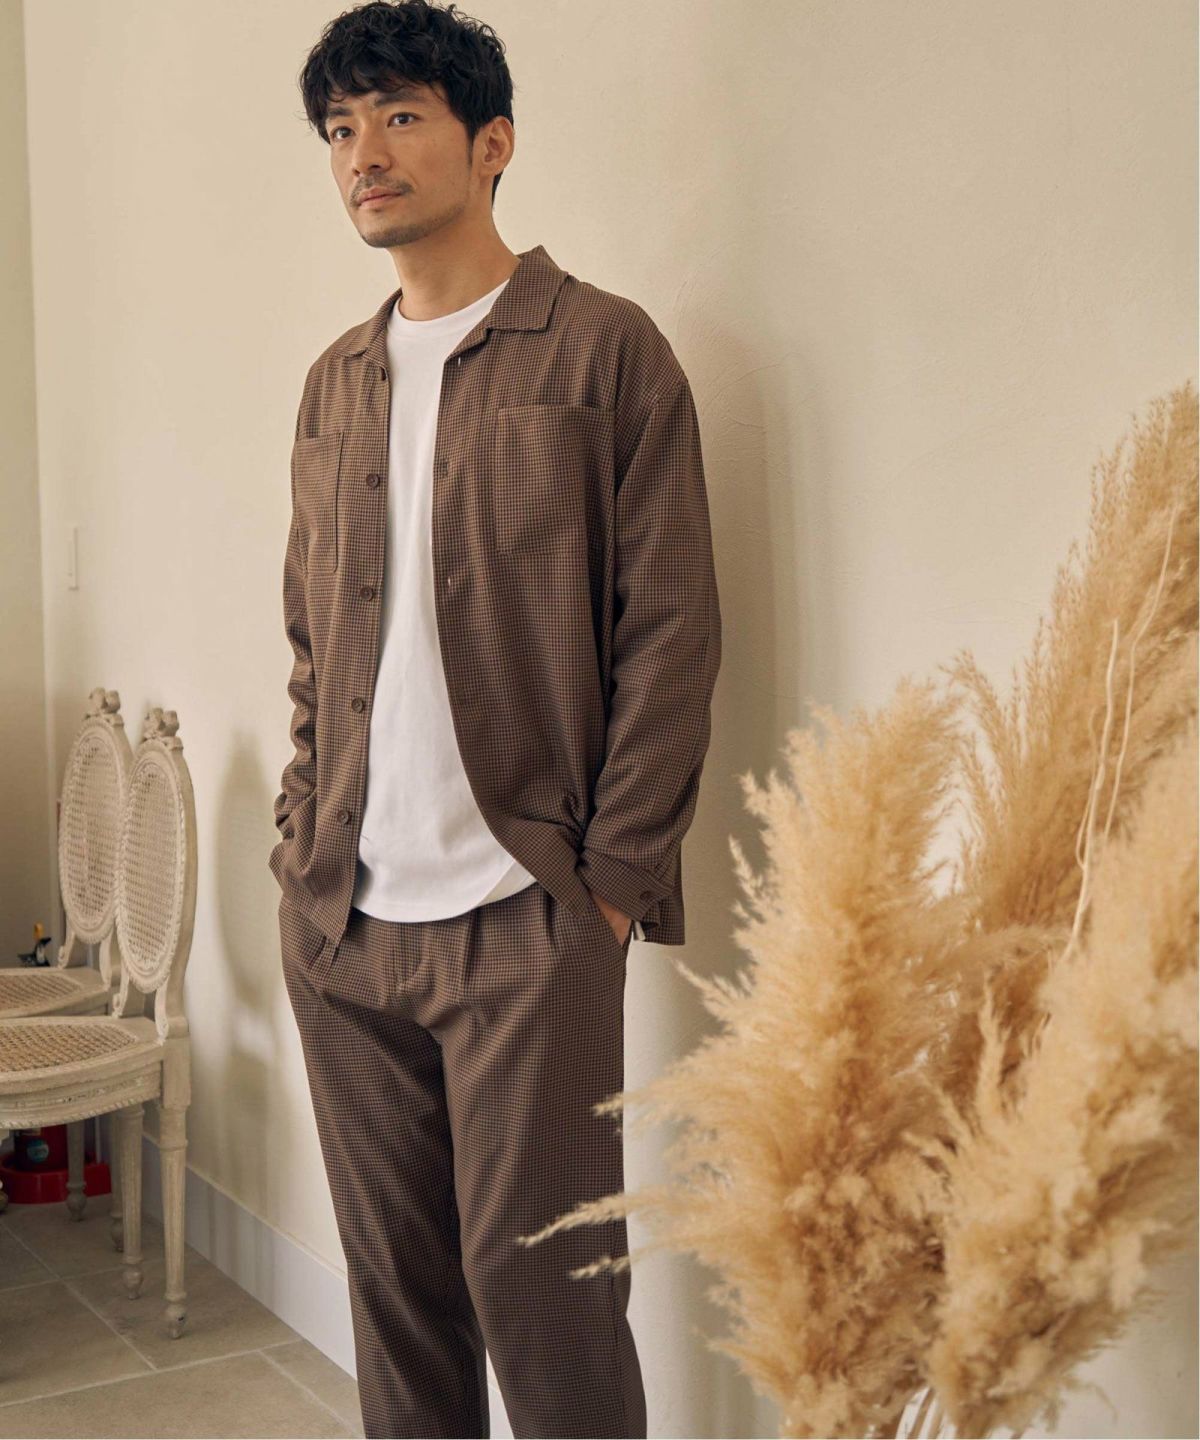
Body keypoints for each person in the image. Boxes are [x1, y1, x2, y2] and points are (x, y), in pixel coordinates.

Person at [271, 2, 721, 1435]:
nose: (364, 154)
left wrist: (607, 892)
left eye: (401, 116)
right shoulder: (335, 385)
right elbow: (312, 645)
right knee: (398, 1299)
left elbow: (669, 638)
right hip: (345, 925)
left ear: (493, 142)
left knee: (547, 1296)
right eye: (342, 128)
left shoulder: (604, 355)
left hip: (528, 918)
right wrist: (298, 845)